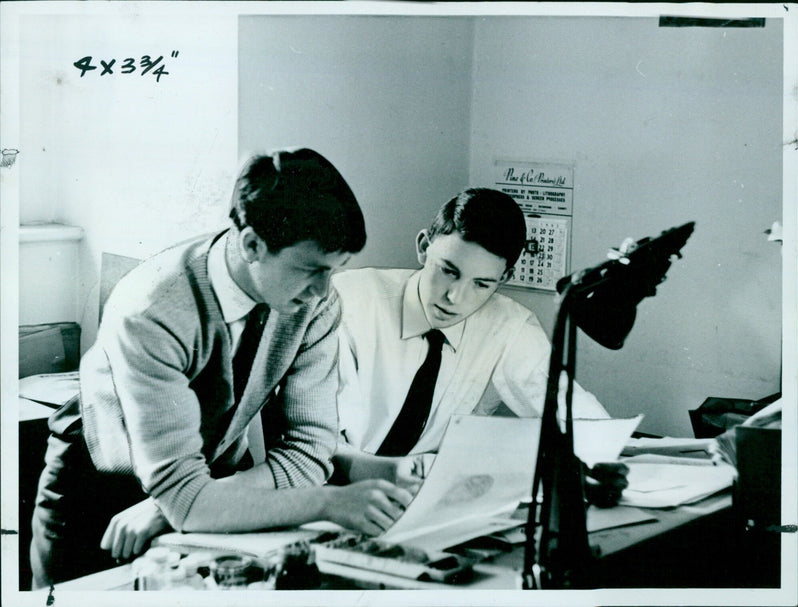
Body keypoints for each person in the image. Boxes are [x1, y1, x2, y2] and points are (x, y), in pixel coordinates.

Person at [30, 148, 413, 588]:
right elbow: (189, 502)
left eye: (336, 270)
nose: (323, 290)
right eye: (311, 269)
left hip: (214, 489)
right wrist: (327, 503)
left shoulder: (316, 302)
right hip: (97, 490)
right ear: (252, 244)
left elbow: (311, 451)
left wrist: (189, 503)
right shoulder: (153, 310)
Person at [331, 187, 627, 502]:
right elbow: (316, 442)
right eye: (448, 271)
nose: (454, 297)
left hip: (420, 497)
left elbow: (574, 415)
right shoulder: (348, 303)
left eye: (481, 284)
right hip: (329, 493)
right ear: (423, 246)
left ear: (505, 276)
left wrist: (600, 460)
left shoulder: (508, 326)